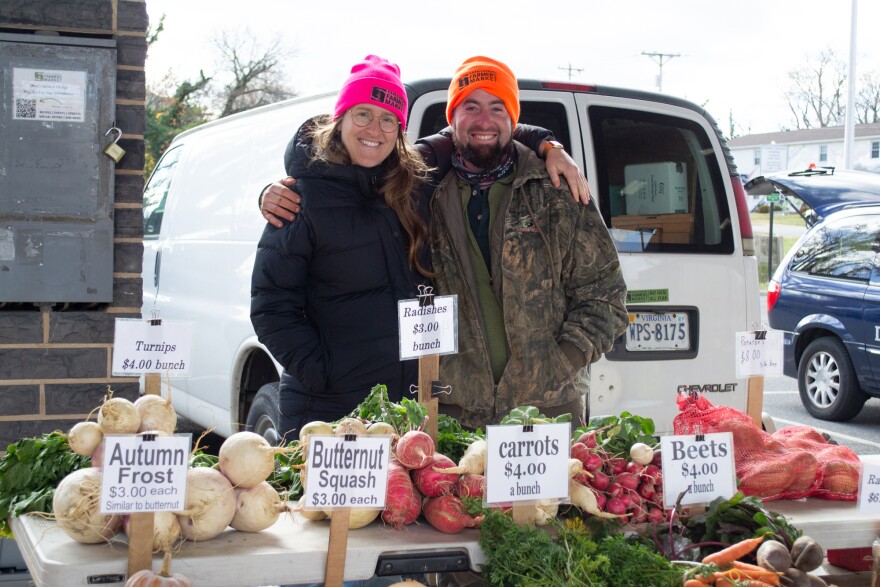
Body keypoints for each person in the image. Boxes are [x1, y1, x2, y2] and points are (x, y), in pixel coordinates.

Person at [429, 56, 628, 429]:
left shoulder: (555, 189)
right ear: (452, 117)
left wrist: (559, 362)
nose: (484, 121)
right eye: (470, 106)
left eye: (497, 107)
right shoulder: (423, 193)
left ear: (513, 119)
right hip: (455, 413)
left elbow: (606, 295)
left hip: (548, 412)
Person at [250, 55, 433, 442]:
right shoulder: (301, 198)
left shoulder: (409, 191)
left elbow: (479, 137)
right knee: (324, 507)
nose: (375, 129)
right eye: (363, 114)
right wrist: (324, 372)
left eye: (388, 119)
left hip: (402, 410)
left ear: (399, 131)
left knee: (391, 505)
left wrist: (546, 144)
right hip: (327, 410)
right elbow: (271, 305)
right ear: (341, 119)